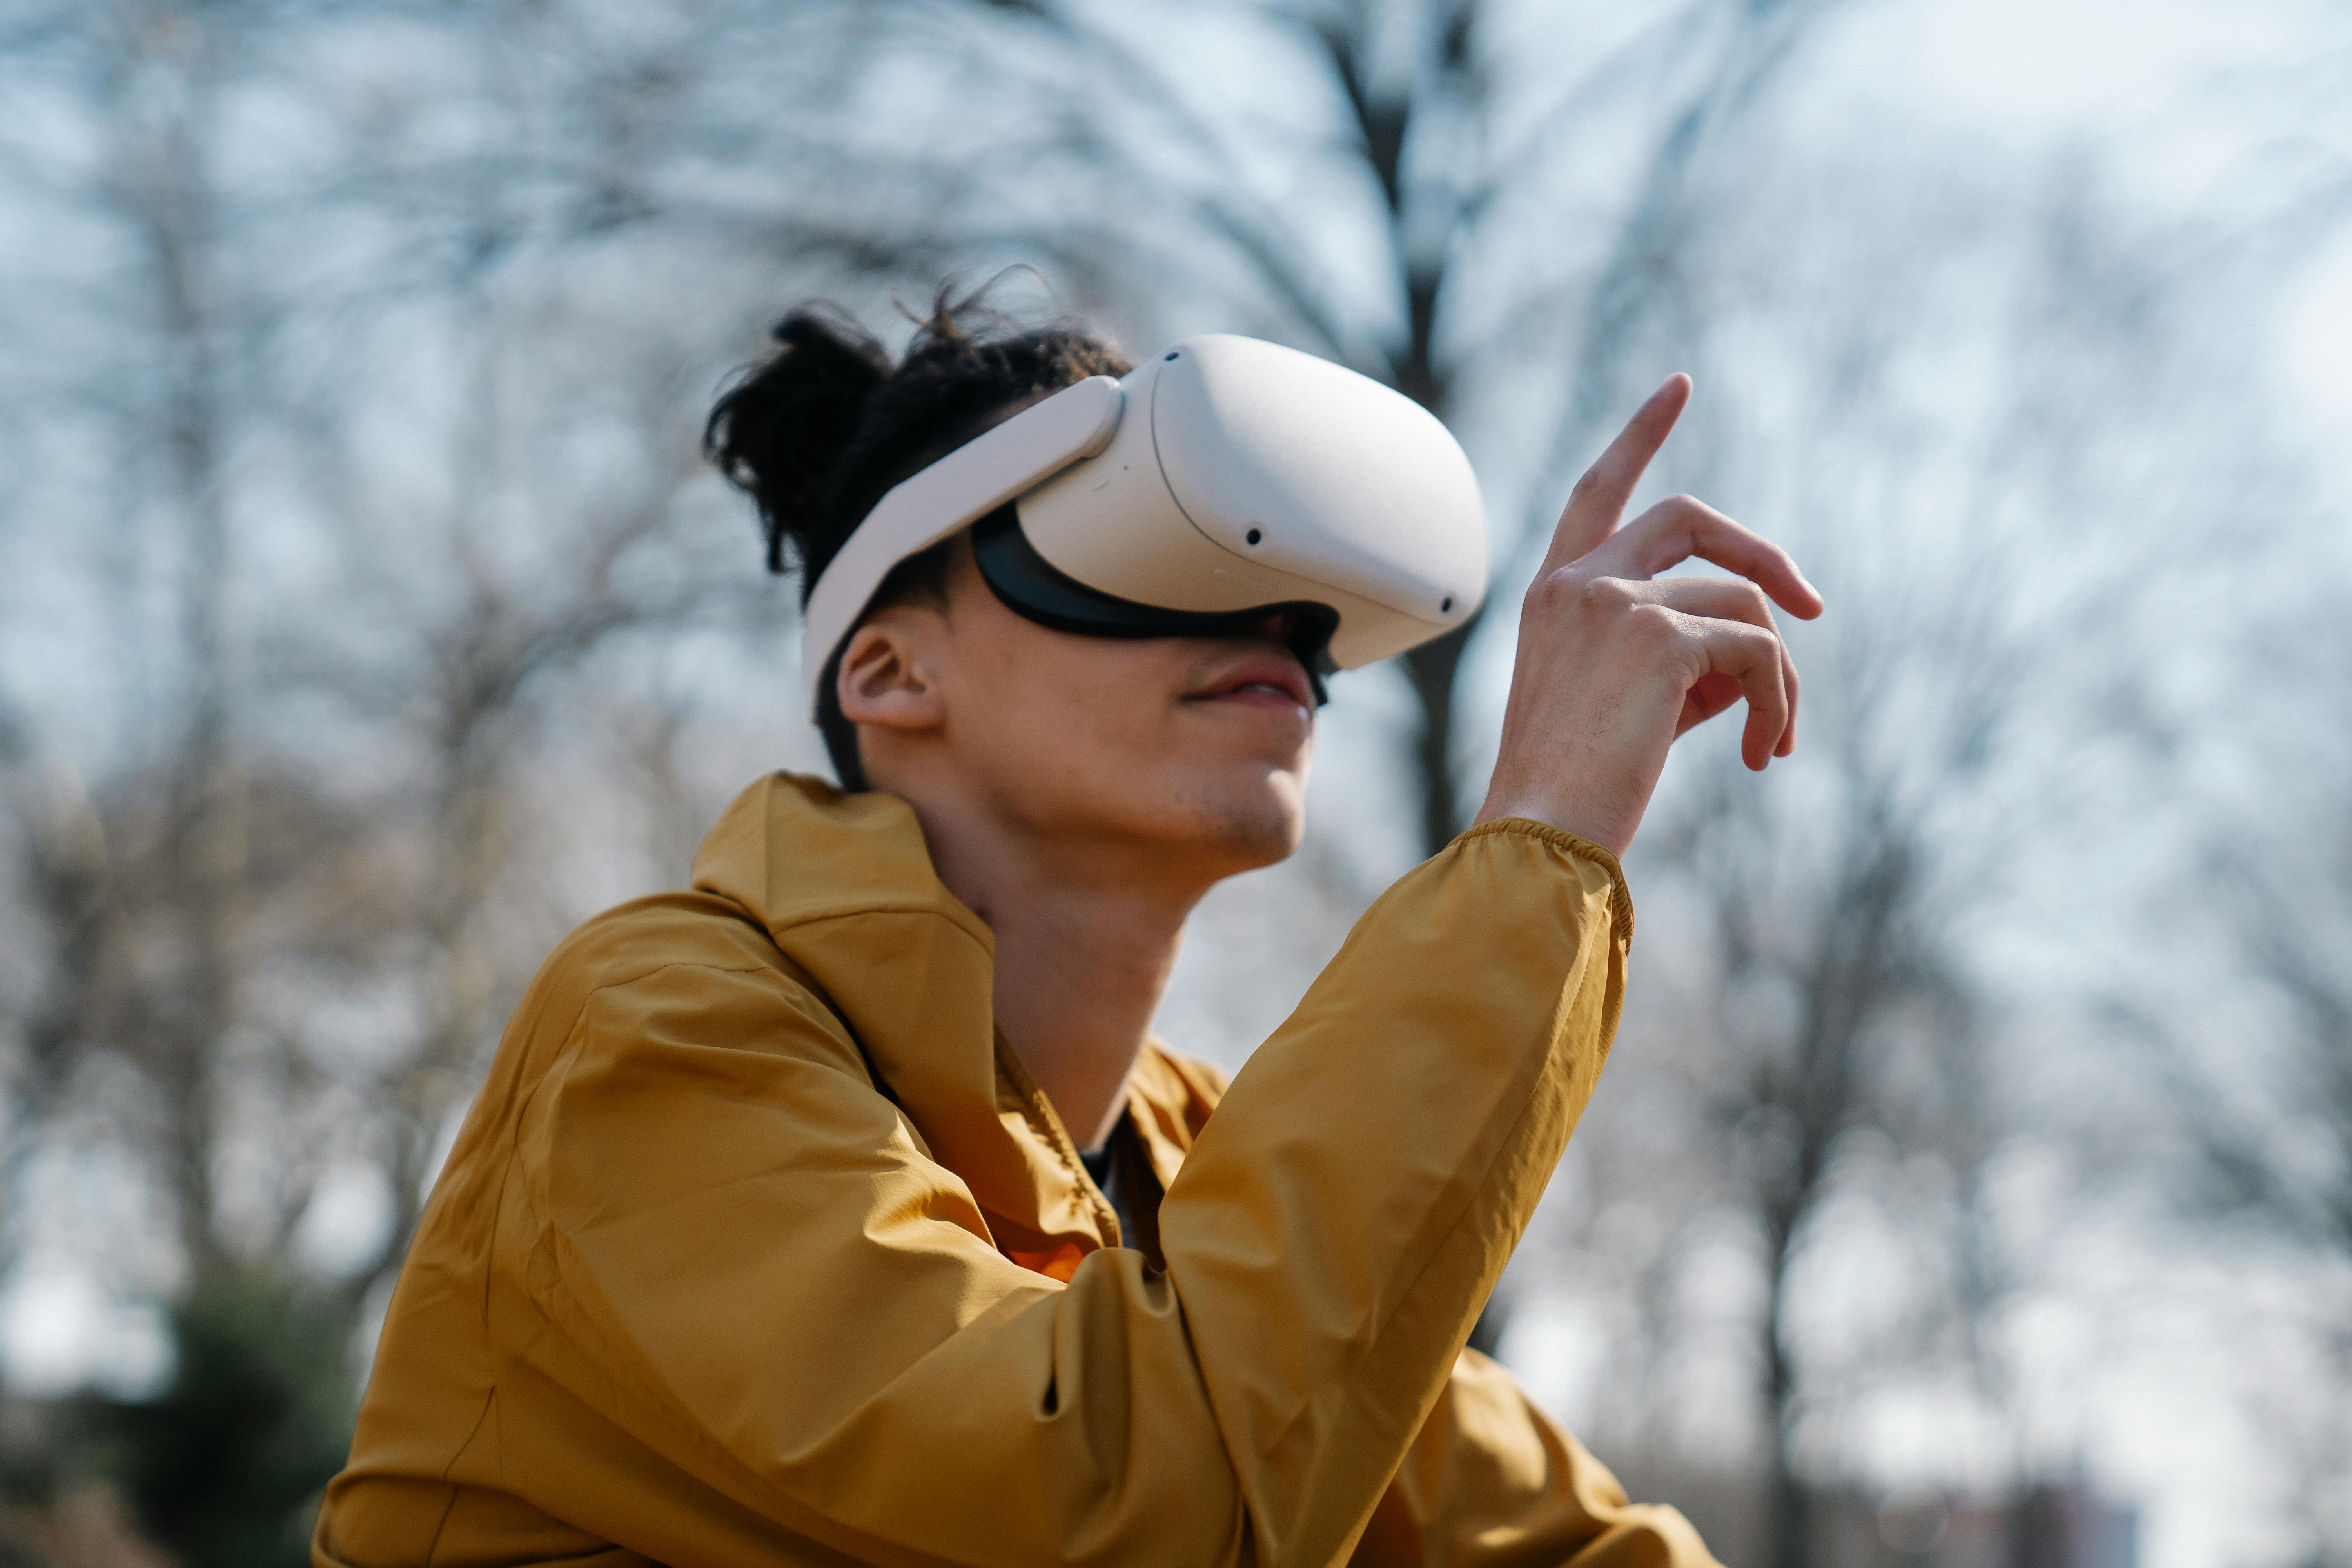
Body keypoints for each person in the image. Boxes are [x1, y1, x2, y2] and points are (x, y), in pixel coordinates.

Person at [313, 290, 1821, 1568]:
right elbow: (1117, 1502)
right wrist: (1536, 843)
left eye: (1300, 596)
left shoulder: (1188, 1154)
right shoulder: (662, 1028)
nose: (1277, 627)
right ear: (892, 675)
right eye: (1146, 554)